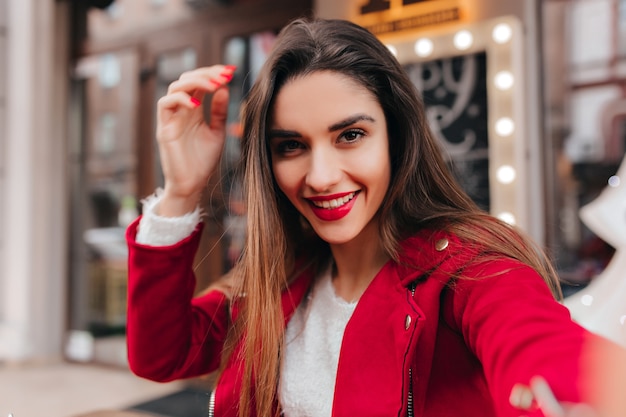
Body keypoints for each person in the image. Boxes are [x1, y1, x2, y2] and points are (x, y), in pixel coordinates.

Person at [125, 17, 626, 417]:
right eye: (292, 145)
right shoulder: (277, 279)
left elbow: (539, 348)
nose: (320, 176)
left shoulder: (470, 269)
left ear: (396, 137)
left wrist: (589, 394)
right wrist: (182, 190)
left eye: (350, 135)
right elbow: (161, 354)